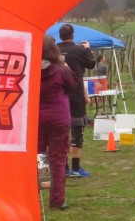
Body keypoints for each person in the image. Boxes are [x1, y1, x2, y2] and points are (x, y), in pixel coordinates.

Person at [38, 35, 79, 210]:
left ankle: (40, 190)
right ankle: (57, 199)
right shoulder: (61, 71)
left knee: (40, 156)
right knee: (58, 159)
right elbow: (73, 86)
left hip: (37, 119)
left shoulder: (31, 71)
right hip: (59, 119)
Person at [57, 24, 95, 178]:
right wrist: (87, 49)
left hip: (59, 94)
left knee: (62, 132)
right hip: (76, 95)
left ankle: (64, 168)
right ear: (72, 35)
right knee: (77, 130)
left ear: (60, 36)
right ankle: (76, 168)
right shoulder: (79, 49)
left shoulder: (54, 51)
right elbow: (91, 64)